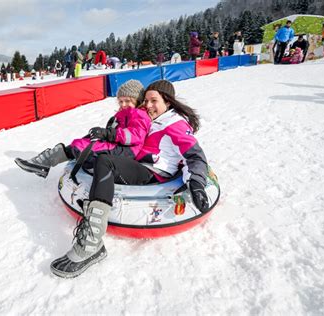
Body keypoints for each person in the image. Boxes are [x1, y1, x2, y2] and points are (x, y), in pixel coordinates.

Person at [49, 80, 209, 278]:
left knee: (106, 163)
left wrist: (197, 184)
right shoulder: (156, 118)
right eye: (146, 100)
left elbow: (195, 156)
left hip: (152, 173)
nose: (148, 105)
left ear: (167, 101)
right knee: (98, 157)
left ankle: (92, 242)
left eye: (154, 101)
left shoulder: (175, 124)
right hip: (138, 164)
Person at [15, 79, 151, 179]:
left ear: (137, 100)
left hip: (128, 151)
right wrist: (103, 133)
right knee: (82, 141)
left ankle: (49, 162)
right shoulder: (123, 113)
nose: (123, 104)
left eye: (127, 101)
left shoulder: (139, 114)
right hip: (119, 146)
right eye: (121, 101)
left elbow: (135, 135)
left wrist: (108, 133)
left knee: (80, 146)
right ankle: (44, 162)